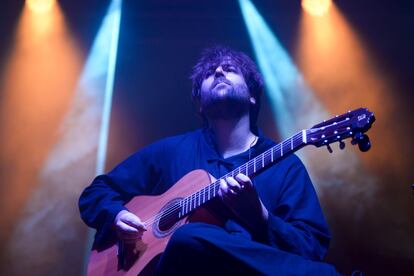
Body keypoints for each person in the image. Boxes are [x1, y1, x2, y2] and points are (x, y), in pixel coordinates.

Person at [79, 46, 339, 275]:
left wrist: (259, 216)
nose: (218, 73)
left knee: (191, 237)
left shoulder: (284, 166)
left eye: (230, 69)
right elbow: (95, 192)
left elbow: (310, 249)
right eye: (208, 74)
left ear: (252, 96)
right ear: (200, 105)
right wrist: (116, 215)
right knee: (188, 238)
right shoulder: (171, 152)